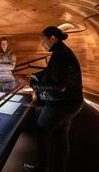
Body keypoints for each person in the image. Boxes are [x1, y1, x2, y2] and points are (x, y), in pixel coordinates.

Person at [24, 26, 84, 172]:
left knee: (40, 130)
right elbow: (50, 71)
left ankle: (42, 167)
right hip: (72, 102)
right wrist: (34, 75)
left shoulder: (60, 55)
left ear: (52, 38)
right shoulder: (61, 52)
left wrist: (33, 84)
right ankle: (59, 169)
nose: (42, 43)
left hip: (61, 104)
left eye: (43, 40)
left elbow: (58, 86)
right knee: (61, 136)